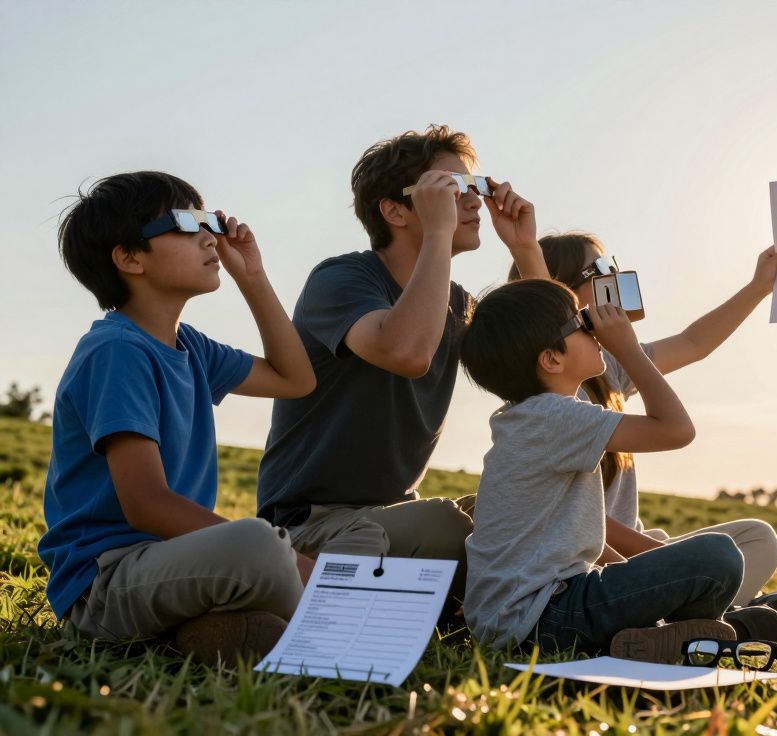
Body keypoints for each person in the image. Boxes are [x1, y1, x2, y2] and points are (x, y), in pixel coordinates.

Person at [256, 126, 549, 619]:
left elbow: (548, 363)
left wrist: (525, 248)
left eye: (474, 188)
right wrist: (438, 232)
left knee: (523, 510)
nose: (474, 203)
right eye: (452, 190)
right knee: (445, 527)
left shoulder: (456, 304)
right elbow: (407, 352)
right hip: (312, 524)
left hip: (394, 517)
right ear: (395, 210)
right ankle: (294, 590)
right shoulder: (341, 279)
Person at [39, 172, 318, 664]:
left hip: (170, 564)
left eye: (209, 221)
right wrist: (289, 561)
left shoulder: (190, 346)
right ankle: (330, 621)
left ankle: (198, 635)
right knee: (258, 546)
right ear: (129, 258)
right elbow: (146, 505)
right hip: (105, 582)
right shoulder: (117, 350)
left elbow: (295, 380)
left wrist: (251, 278)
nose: (210, 236)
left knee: (260, 550)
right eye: (187, 225)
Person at [459, 280, 777, 662]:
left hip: (530, 617)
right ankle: (690, 636)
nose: (593, 327)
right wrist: (626, 348)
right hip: (544, 619)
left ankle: (667, 638)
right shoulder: (553, 417)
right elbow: (677, 430)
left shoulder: (531, 418)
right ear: (551, 359)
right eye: (579, 322)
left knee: (706, 560)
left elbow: (582, 540)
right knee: (719, 557)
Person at [506, 232, 777, 623]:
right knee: (711, 560)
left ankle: (717, 613)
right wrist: (657, 556)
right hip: (590, 563)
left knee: (758, 538)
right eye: (601, 270)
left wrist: (758, 288)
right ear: (563, 294)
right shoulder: (552, 399)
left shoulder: (605, 368)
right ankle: (716, 617)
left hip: (636, 550)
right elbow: (581, 524)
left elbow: (694, 342)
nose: (617, 276)